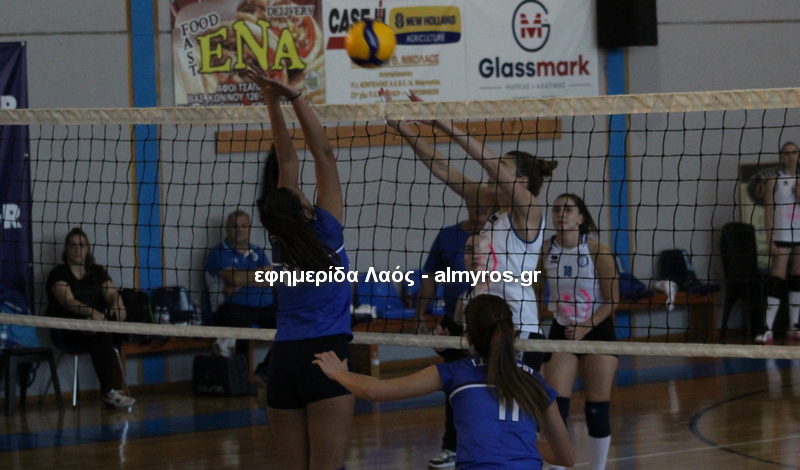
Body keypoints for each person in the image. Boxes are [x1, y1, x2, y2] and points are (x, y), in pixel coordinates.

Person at [382, 89, 556, 372]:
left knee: (515, 398)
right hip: (484, 326)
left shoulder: (529, 212)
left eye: (502, 167)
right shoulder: (493, 207)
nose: (492, 171)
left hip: (518, 330)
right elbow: (441, 167)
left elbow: (487, 162)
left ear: (522, 182)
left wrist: (442, 123)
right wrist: (402, 126)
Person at [313, 294, 575, 470]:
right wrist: (517, 446)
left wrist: (338, 373)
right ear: (513, 332)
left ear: (467, 338)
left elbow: (376, 391)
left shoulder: (455, 373)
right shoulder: (535, 382)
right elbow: (567, 457)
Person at [249, 69, 353, 470]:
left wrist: (271, 102)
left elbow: (286, 162)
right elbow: (321, 155)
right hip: (327, 357)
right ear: (307, 209)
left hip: (283, 362)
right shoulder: (326, 232)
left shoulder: (279, 241)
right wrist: (292, 98)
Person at [537, 193, 619, 470]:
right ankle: (558, 467)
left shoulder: (598, 251)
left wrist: (586, 326)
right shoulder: (545, 250)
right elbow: (535, 293)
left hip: (597, 329)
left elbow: (612, 300)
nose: (561, 214)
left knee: (597, 410)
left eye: (568, 209)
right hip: (562, 329)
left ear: (581, 217)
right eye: (556, 209)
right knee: (555, 408)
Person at [46, 228, 135, 409]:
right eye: (73, 245)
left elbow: (111, 293)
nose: (78, 250)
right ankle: (109, 393)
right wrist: (92, 313)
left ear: (87, 248)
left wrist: (117, 303)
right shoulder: (59, 273)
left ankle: (113, 391)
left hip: (99, 326)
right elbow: (68, 301)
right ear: (66, 249)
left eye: (82, 245)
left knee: (115, 320)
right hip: (69, 331)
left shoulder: (97, 272)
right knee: (101, 332)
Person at [205, 210, 276, 376]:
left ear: (249, 228)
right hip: (230, 308)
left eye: (243, 226)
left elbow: (272, 278)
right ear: (227, 229)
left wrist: (241, 281)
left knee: (291, 324)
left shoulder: (257, 251)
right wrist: (258, 274)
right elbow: (234, 278)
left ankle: (265, 372)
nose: (239, 230)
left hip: (264, 307)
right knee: (240, 329)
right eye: (234, 226)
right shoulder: (218, 252)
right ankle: (242, 378)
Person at [760, 141, 800, 345]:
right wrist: (770, 240)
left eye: (794, 153)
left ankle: (794, 327)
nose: (790, 156)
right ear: (782, 156)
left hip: (799, 236)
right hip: (782, 235)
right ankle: (767, 329)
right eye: (787, 153)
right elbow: (768, 212)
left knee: (797, 278)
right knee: (777, 277)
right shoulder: (774, 180)